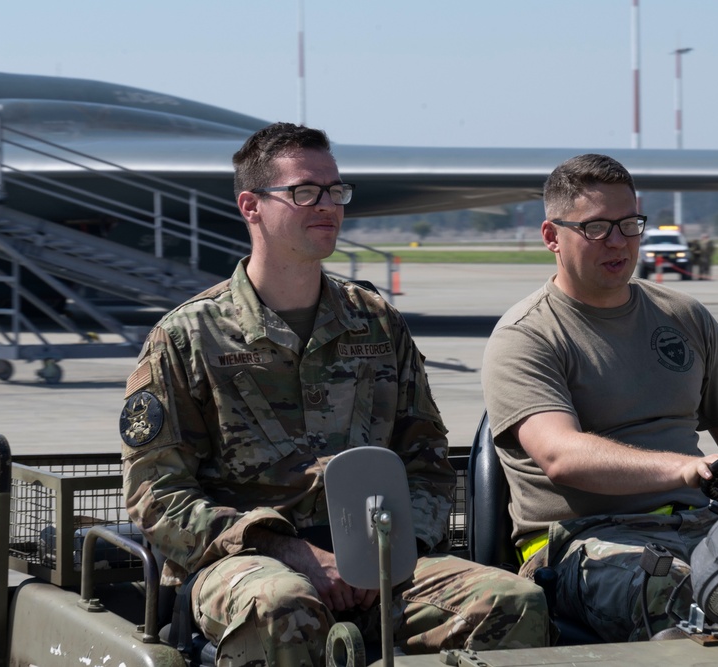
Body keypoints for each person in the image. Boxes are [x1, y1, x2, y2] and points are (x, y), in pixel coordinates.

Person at [120, 122, 550, 667]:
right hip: (247, 561)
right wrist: (289, 549)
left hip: (379, 560)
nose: (327, 205)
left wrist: (391, 554)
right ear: (251, 206)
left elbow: (427, 457)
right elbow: (156, 494)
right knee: (284, 604)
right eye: (305, 192)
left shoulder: (375, 323)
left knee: (512, 602)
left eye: (335, 191)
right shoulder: (187, 337)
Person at [480, 153, 718, 643]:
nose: (618, 241)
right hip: (579, 542)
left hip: (698, 525)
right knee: (681, 592)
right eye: (596, 227)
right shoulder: (527, 335)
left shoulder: (683, 316)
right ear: (552, 236)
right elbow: (561, 454)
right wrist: (687, 468)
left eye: (628, 224)